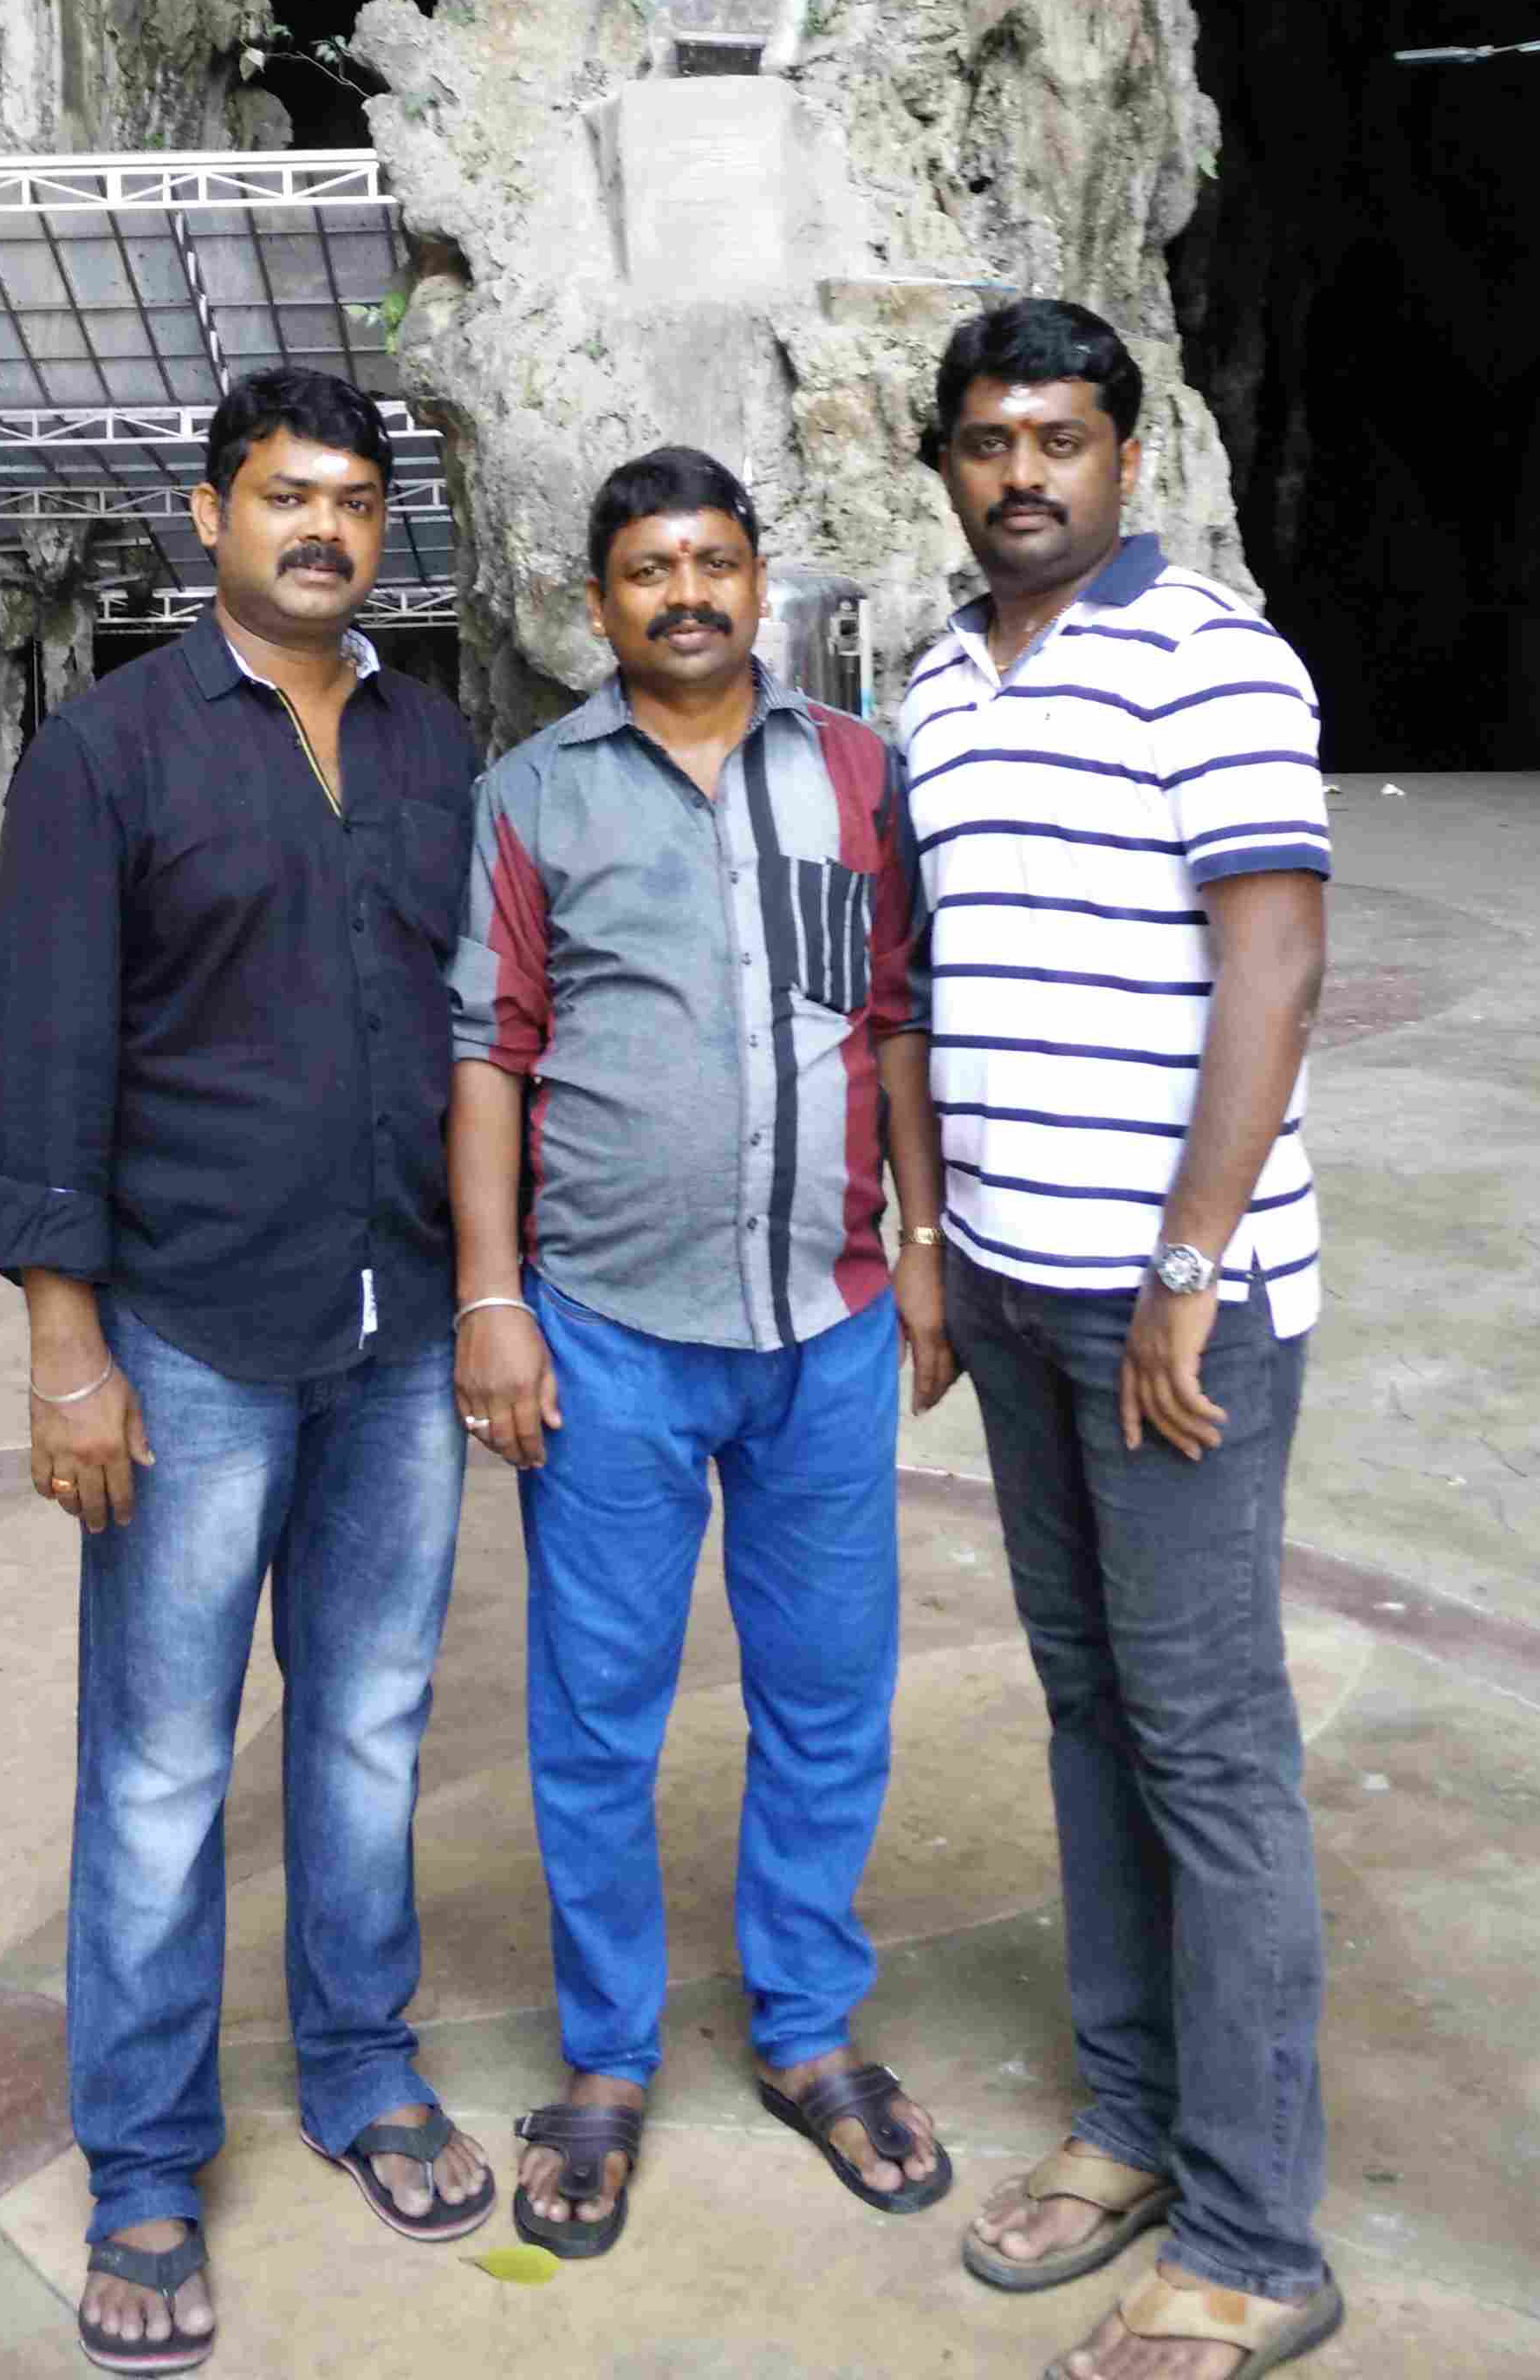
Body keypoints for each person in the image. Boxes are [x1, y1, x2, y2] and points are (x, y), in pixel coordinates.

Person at [0, 367, 491, 2378]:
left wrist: (493, 1289)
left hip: (396, 1326)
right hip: (186, 1332)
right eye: (285, 495)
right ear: (211, 515)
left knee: (366, 1726)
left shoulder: (433, 741)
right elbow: (41, 1054)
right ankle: (146, 2162)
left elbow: (479, 1028)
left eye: (353, 498)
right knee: (165, 1760)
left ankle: (361, 2067)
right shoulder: (107, 753)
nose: (322, 528)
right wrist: (64, 1341)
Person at [900, 302, 1342, 2380]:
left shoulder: (1212, 658)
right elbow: (928, 987)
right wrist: (933, 1248)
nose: (1023, 473)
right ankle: (1134, 2119)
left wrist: (1185, 1263)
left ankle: (1255, 2239)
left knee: (1208, 1743)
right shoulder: (931, 684)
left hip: (1175, 1304)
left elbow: (1275, 964)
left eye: (1060, 438)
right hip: (1012, 1282)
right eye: (989, 440)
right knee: (1090, 1708)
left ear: (1125, 457)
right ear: (946, 464)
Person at [447, 446, 954, 2258]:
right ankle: (607, 2054)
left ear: (756, 580)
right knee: (600, 1714)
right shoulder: (532, 795)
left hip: (826, 1324)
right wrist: (493, 1300)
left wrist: (921, 1244)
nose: (686, 594)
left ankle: (808, 2025)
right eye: (650, 569)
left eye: (714, 562)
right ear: (599, 604)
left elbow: (889, 1019)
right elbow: (490, 1049)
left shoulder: (857, 776)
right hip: (608, 1335)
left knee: (827, 1693)